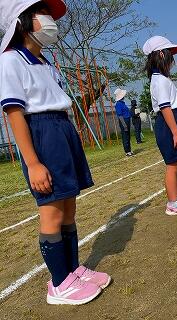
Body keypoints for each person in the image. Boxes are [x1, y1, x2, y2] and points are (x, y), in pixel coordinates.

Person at [0, 0, 110, 305]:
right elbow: (14, 112)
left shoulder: (47, 64)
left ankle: (72, 270)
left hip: (62, 130)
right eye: (43, 12)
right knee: (52, 209)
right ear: (22, 21)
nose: (51, 20)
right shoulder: (10, 60)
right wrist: (33, 162)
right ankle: (59, 284)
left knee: (69, 206)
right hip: (40, 132)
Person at [143, 35, 177, 216]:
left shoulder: (164, 79)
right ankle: (172, 203)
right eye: (169, 54)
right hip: (169, 123)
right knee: (173, 164)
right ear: (160, 54)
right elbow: (165, 107)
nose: (172, 59)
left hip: (176, 118)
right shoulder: (158, 80)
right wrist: (175, 132)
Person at [114, 88, 133, 156]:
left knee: (128, 135)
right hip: (123, 121)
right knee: (125, 136)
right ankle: (127, 151)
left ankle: (129, 149)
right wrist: (124, 124)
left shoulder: (123, 103)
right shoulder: (118, 104)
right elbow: (120, 115)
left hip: (127, 120)